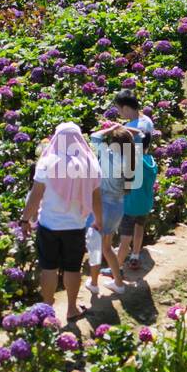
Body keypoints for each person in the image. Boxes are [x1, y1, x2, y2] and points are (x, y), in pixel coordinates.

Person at [21, 123, 104, 324]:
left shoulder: (47, 162)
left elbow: (35, 195)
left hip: (48, 224)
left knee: (48, 268)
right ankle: (72, 309)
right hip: (75, 226)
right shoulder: (90, 163)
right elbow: (96, 197)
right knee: (72, 268)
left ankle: (47, 310)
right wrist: (99, 220)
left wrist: (25, 219)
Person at [86, 125, 133, 296]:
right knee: (107, 247)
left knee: (95, 247)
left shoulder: (108, 155)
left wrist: (112, 126)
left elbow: (95, 135)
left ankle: (93, 283)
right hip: (118, 207)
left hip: (102, 206)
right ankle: (118, 284)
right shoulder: (130, 160)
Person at [121, 129, 157, 271]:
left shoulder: (134, 160)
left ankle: (117, 267)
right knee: (139, 228)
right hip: (145, 205)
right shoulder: (151, 161)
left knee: (125, 238)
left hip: (130, 206)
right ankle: (135, 256)